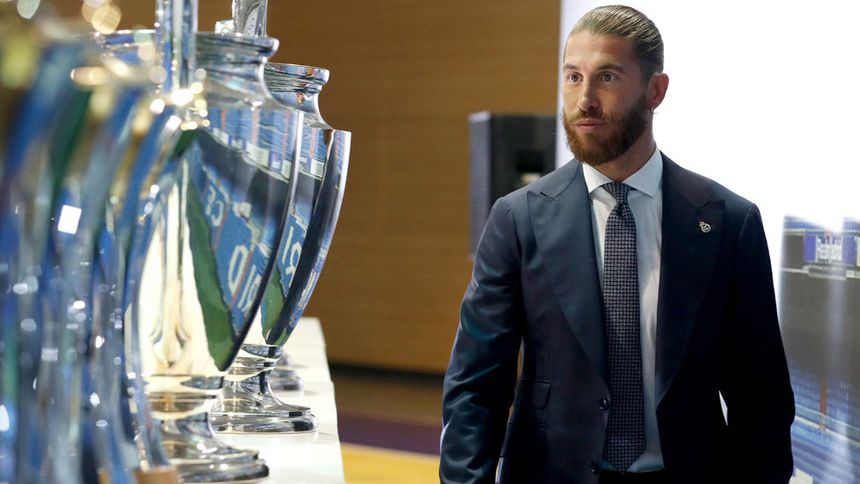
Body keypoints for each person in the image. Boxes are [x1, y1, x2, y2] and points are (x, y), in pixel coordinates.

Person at [440, 5, 795, 484]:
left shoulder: (729, 222)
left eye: (606, 77)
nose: (584, 99)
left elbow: (761, 396)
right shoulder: (518, 218)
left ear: (655, 90)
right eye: (573, 77)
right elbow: (475, 388)